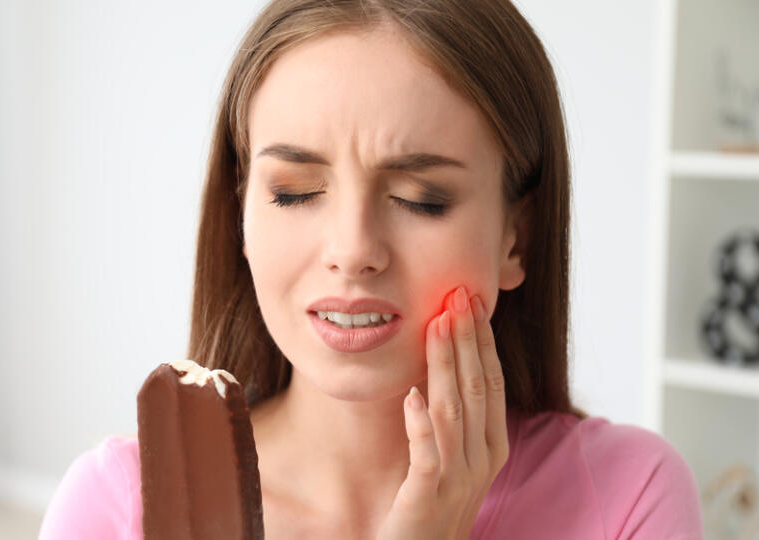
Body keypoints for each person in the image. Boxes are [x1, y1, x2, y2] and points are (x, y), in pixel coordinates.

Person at [38, 0, 704, 538]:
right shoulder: (119, 507)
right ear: (241, 213)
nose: (352, 249)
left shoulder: (628, 496)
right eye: (295, 191)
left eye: (422, 200)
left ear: (516, 240)